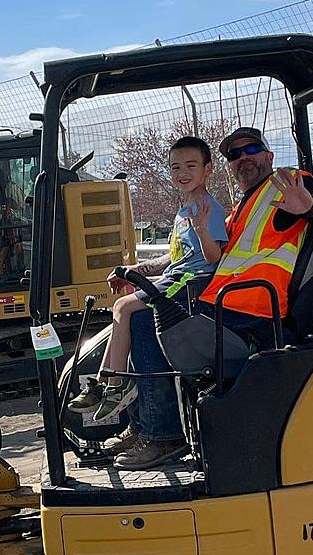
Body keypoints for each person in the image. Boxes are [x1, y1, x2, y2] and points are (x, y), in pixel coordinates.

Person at [106, 126, 313, 471]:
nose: (243, 158)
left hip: (254, 313)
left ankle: (162, 435)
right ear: (228, 166)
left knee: (142, 321)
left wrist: (312, 206)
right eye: (235, 154)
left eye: (251, 150)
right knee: (141, 314)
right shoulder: (238, 210)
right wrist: (137, 268)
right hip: (222, 305)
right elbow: (193, 257)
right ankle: (143, 426)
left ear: (269, 155)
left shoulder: (287, 182)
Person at [68, 136, 228, 423]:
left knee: (124, 308)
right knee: (122, 308)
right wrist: (135, 269)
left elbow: (214, 256)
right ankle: (106, 381)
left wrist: (203, 231)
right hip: (179, 275)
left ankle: (116, 385)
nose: (182, 173)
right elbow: (174, 257)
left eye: (191, 165)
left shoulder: (208, 209)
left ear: (208, 170)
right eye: (175, 167)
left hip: (193, 282)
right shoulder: (185, 212)